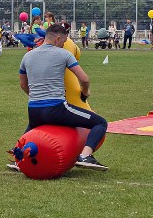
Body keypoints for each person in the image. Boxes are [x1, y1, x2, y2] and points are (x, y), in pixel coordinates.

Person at [16, 22, 108, 170]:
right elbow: (84, 79)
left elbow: (22, 84)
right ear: (58, 38)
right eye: (64, 42)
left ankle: (18, 159)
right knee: (100, 123)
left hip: (34, 109)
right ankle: (85, 155)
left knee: (31, 129)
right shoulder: (64, 54)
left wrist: (36, 96)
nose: (63, 45)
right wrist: (85, 92)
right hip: (56, 108)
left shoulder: (28, 56)